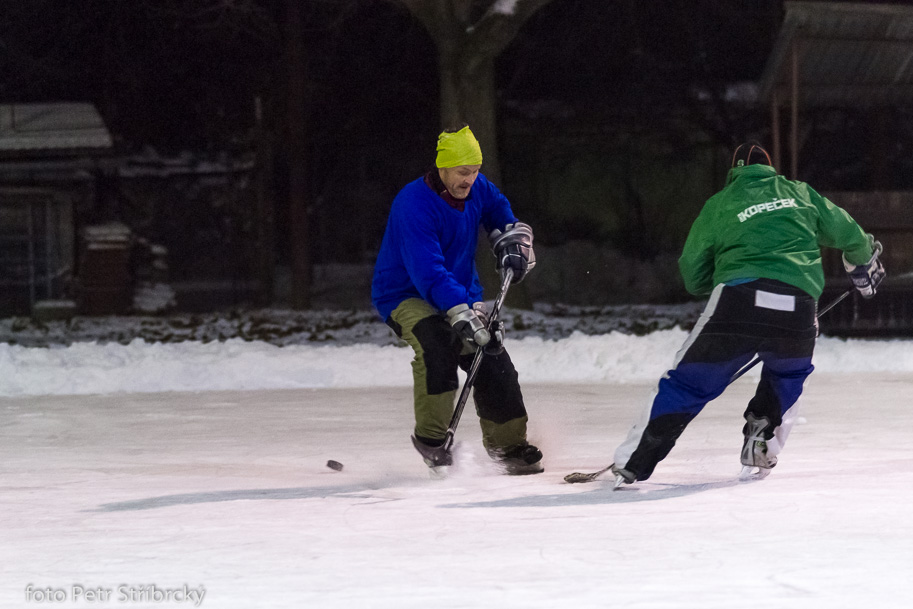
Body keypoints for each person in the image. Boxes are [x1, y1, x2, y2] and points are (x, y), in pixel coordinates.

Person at [610, 141, 885, 488]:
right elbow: (851, 235)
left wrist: (727, 273)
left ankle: (634, 462)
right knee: (787, 378)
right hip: (797, 307)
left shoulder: (721, 203)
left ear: (734, 171)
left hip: (736, 303)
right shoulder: (800, 193)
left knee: (689, 382)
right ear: (770, 167)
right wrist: (861, 262)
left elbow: (692, 273)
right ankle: (761, 440)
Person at [371, 125, 543, 475]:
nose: (471, 180)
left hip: (459, 290)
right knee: (438, 343)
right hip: (406, 294)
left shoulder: (478, 188)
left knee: (490, 356)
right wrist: (458, 311)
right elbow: (428, 271)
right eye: (463, 172)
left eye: (476, 171)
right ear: (443, 168)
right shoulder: (413, 204)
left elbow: (498, 210)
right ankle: (432, 441)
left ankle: (508, 446)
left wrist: (511, 240)